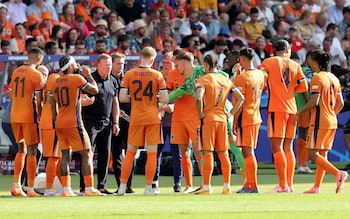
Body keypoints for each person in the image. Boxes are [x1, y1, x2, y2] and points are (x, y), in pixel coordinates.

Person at [293, 49, 348, 194]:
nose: (308, 62)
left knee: (312, 153)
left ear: (314, 61)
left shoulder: (317, 78)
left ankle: (338, 173)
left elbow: (314, 101)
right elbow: (340, 103)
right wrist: (331, 114)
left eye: (310, 59)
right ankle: (317, 187)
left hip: (319, 121)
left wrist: (299, 112)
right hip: (331, 120)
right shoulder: (333, 78)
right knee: (322, 154)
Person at [117, 46, 169, 196]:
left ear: (141, 57)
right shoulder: (157, 75)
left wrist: (134, 98)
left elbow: (122, 97)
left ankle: (122, 187)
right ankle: (148, 188)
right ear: (152, 60)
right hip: (152, 116)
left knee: (130, 153)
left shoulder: (129, 74)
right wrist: (154, 99)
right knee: (152, 154)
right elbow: (165, 98)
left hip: (136, 116)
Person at [259, 40, 308, 193]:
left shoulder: (268, 62)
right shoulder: (296, 65)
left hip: (276, 108)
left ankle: (282, 185)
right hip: (292, 108)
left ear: (275, 50)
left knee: (277, 147)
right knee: (288, 147)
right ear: (288, 50)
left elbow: (261, 80)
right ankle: (289, 184)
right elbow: (302, 87)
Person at [50, 56, 102, 196]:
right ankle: (89, 188)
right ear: (70, 66)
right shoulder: (77, 79)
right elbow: (95, 90)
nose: (77, 65)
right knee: (87, 153)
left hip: (60, 122)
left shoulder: (54, 82)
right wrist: (89, 75)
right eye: (74, 63)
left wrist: (57, 121)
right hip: (74, 122)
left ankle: (66, 189)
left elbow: (52, 106)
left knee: (65, 155)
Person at [193, 54, 244, 194]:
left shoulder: (202, 80)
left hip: (208, 119)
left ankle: (206, 186)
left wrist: (200, 113)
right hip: (223, 119)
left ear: (207, 65)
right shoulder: (225, 80)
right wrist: (230, 114)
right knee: (224, 153)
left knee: (208, 153)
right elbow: (241, 98)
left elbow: (198, 98)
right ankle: (227, 186)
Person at [80, 53, 120, 195]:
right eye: (106, 65)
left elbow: (115, 103)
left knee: (104, 155)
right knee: (87, 154)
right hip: (89, 121)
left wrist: (116, 122)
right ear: (98, 65)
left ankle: (101, 186)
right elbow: (80, 97)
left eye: (110, 65)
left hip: (107, 122)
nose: (109, 68)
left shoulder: (113, 81)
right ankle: (84, 186)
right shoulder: (90, 80)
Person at [9, 48, 45, 197]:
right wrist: (40, 114)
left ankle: (16, 185)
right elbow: (38, 99)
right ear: (38, 59)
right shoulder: (36, 74)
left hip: (15, 115)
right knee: (32, 151)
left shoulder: (16, 71)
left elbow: (10, 93)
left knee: (20, 149)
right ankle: (30, 188)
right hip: (28, 116)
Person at [233, 48, 264, 193]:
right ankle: (248, 184)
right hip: (255, 115)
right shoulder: (259, 74)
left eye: (240, 59)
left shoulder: (242, 77)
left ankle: (253, 185)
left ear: (244, 59)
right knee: (247, 151)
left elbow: (241, 101)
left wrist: (234, 120)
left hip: (246, 117)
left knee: (248, 151)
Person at [152, 52, 182, 193]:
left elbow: (183, 96)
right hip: (160, 122)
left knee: (177, 154)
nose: (165, 66)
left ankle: (178, 183)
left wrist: (174, 106)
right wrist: (162, 106)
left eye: (168, 63)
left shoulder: (179, 76)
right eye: (164, 63)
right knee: (156, 152)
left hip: (176, 121)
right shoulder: (157, 77)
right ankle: (154, 182)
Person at [110, 52, 135, 194]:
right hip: (113, 121)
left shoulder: (128, 78)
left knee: (130, 153)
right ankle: (121, 185)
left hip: (129, 120)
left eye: (122, 63)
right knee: (116, 153)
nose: (121, 66)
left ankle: (128, 185)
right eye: (118, 63)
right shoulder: (107, 79)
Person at [38, 65, 61, 197]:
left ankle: (65, 187)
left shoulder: (47, 83)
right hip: (52, 123)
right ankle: (49, 189)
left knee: (58, 157)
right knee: (54, 156)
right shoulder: (55, 79)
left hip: (48, 123)